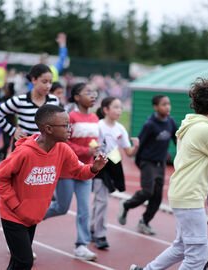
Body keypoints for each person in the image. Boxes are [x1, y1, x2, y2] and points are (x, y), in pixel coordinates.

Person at [0, 104, 107, 269]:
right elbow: (0, 177)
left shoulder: (62, 149)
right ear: (48, 129)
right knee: (25, 261)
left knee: (18, 262)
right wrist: (15, 205)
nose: (70, 129)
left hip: (33, 215)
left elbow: (78, 171)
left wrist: (94, 168)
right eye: (65, 125)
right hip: (13, 215)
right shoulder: (24, 153)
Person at [129, 78, 208, 270]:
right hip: (190, 196)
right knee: (198, 257)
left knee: (182, 247)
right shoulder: (205, 129)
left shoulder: (192, 124)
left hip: (183, 193)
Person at [44, 82, 100, 261]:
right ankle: (26, 222)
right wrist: (85, 151)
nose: (92, 95)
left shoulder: (95, 118)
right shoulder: (70, 117)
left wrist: (97, 153)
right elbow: (63, 142)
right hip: (67, 169)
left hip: (86, 169)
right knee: (61, 207)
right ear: (76, 97)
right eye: (87, 92)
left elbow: (93, 142)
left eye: (93, 92)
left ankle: (81, 245)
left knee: (84, 209)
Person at [118, 94, 177, 235]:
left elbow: (176, 139)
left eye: (169, 104)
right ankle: (126, 204)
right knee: (147, 192)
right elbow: (140, 144)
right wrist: (140, 163)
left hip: (161, 163)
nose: (167, 107)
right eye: (164, 104)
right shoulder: (149, 124)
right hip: (147, 162)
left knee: (157, 197)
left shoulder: (171, 122)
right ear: (156, 107)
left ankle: (144, 221)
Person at [90, 97, 139, 249]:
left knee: (101, 200)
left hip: (113, 166)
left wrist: (136, 146)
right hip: (99, 165)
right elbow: (91, 144)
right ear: (106, 110)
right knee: (102, 201)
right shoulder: (98, 126)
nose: (119, 110)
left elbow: (129, 152)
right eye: (116, 107)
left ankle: (92, 228)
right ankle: (100, 235)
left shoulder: (120, 128)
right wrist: (94, 148)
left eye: (120, 107)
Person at [0, 64, 59, 150]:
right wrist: (13, 131)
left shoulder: (54, 101)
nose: (48, 86)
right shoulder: (20, 100)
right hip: (22, 147)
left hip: (44, 148)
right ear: (34, 80)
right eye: (44, 82)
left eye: (50, 82)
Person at [0, 82, 16, 161]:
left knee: (13, 145)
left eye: (7, 88)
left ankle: (2, 154)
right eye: (5, 88)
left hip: (13, 123)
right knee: (6, 143)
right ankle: (1, 154)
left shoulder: (14, 99)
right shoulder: (1, 99)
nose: (6, 90)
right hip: (5, 124)